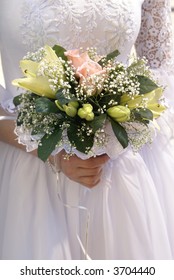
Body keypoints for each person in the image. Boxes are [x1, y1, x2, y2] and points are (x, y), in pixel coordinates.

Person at [0, 0, 174, 260]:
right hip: (27, 169)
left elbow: (162, 69)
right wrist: (50, 152)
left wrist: (120, 125)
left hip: (122, 168)